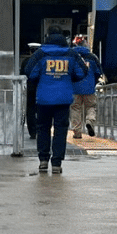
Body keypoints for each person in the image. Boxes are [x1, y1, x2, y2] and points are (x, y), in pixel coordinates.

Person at [27, 27, 88, 174]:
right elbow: (82, 71)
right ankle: (57, 163)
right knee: (60, 130)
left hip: (43, 99)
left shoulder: (40, 53)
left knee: (43, 129)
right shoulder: (71, 53)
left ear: (47, 36)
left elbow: (30, 71)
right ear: (62, 37)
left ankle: (43, 160)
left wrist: (42, 78)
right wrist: (69, 77)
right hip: (63, 98)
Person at [68, 35, 103, 139]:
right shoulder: (92, 57)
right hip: (89, 88)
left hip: (74, 88)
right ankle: (89, 121)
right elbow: (98, 72)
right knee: (91, 106)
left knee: (75, 109)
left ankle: (77, 133)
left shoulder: (71, 56)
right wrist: (93, 82)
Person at [20, 43, 43, 139]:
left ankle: (32, 132)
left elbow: (22, 74)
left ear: (30, 51)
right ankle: (42, 130)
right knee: (42, 109)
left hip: (30, 88)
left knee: (30, 110)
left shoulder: (26, 61)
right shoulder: (43, 61)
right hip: (42, 88)